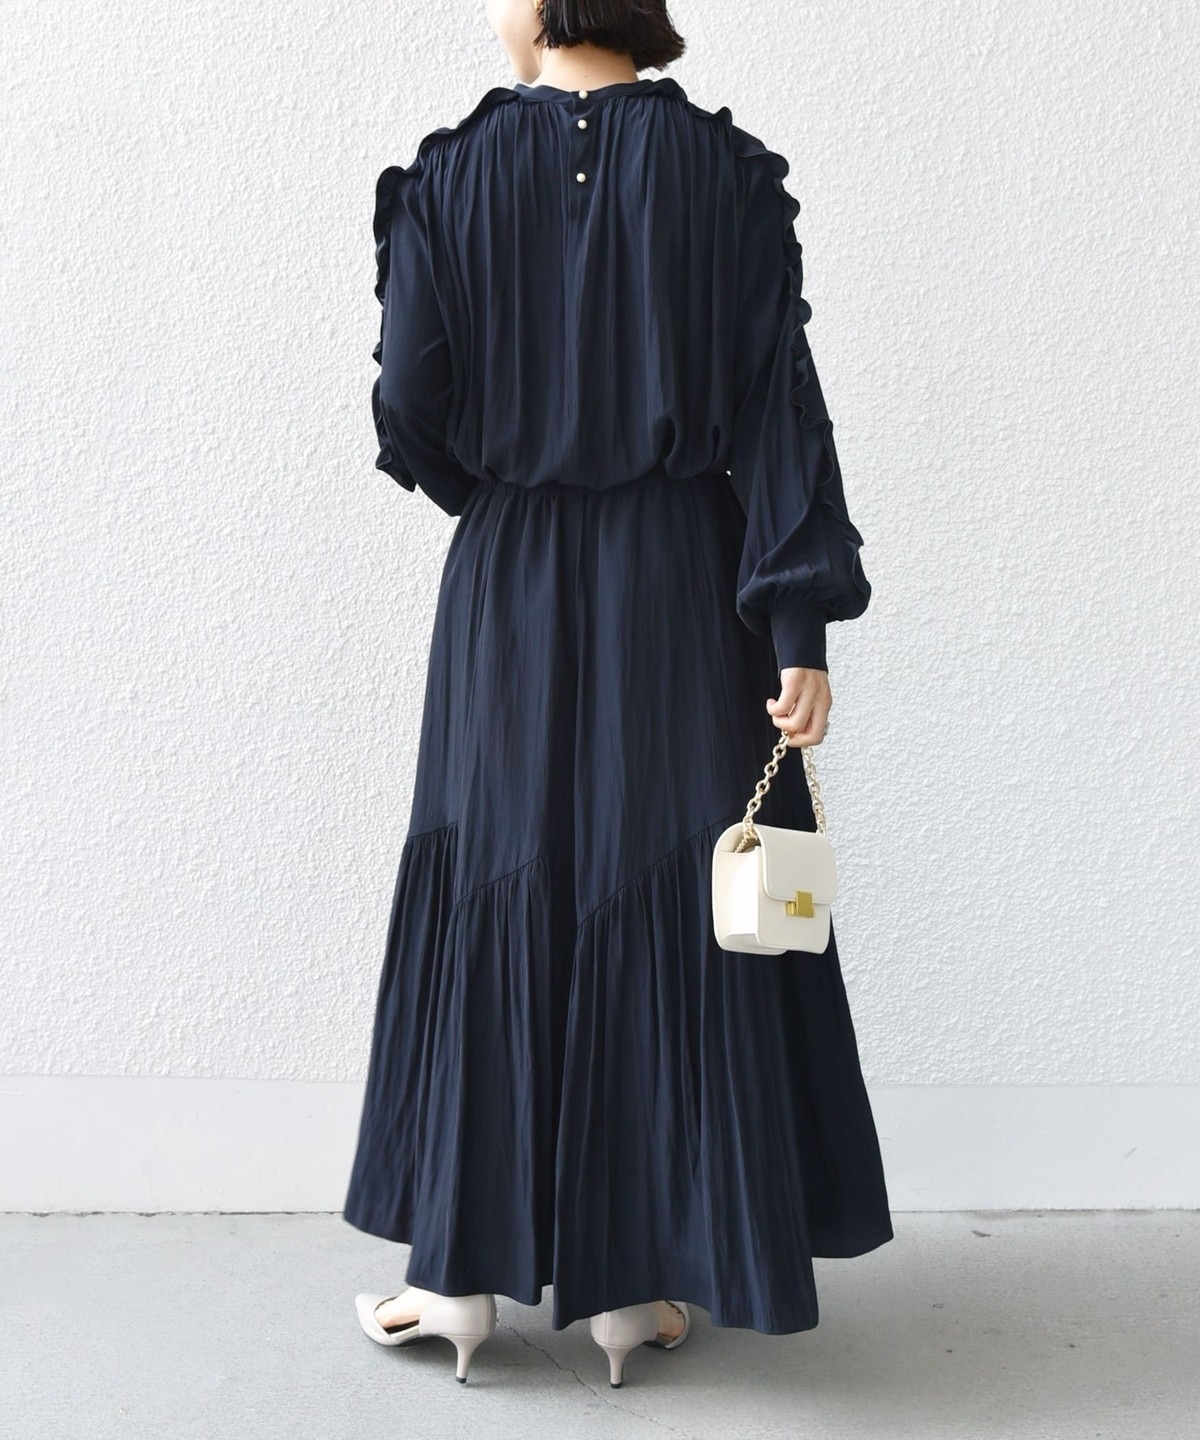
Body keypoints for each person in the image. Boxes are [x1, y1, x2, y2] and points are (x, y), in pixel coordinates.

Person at [342, 0, 893, 1388]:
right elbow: (779, 410)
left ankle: (455, 1281)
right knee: (665, 890)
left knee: (498, 880)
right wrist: (798, 626)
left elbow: (408, 405)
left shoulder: (451, 174)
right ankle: (630, 1292)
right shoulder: (727, 177)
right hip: (682, 574)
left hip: (510, 579)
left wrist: (511, 494)